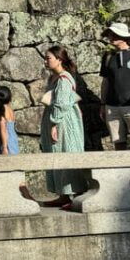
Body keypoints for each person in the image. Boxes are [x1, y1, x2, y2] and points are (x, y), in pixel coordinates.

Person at [41, 45, 87, 208]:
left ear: (59, 59)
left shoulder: (64, 78)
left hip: (64, 122)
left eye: (49, 58)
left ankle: (76, 195)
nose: (46, 61)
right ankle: (63, 194)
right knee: (56, 154)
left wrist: (54, 124)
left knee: (67, 152)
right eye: (45, 58)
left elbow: (61, 104)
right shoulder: (53, 78)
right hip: (54, 120)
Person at [100, 22, 130, 150]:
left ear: (123, 36)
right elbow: (105, 82)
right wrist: (103, 104)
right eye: (109, 34)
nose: (110, 37)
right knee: (118, 143)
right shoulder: (108, 57)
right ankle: (122, 170)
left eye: (113, 34)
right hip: (112, 107)